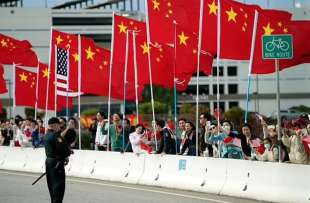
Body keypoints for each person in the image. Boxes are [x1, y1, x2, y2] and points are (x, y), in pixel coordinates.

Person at [44, 117, 72, 203]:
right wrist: (69, 152)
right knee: (58, 188)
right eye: (58, 124)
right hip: (57, 164)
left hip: (49, 162)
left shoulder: (47, 135)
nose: (60, 126)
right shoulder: (56, 136)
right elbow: (64, 151)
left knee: (51, 187)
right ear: (55, 125)